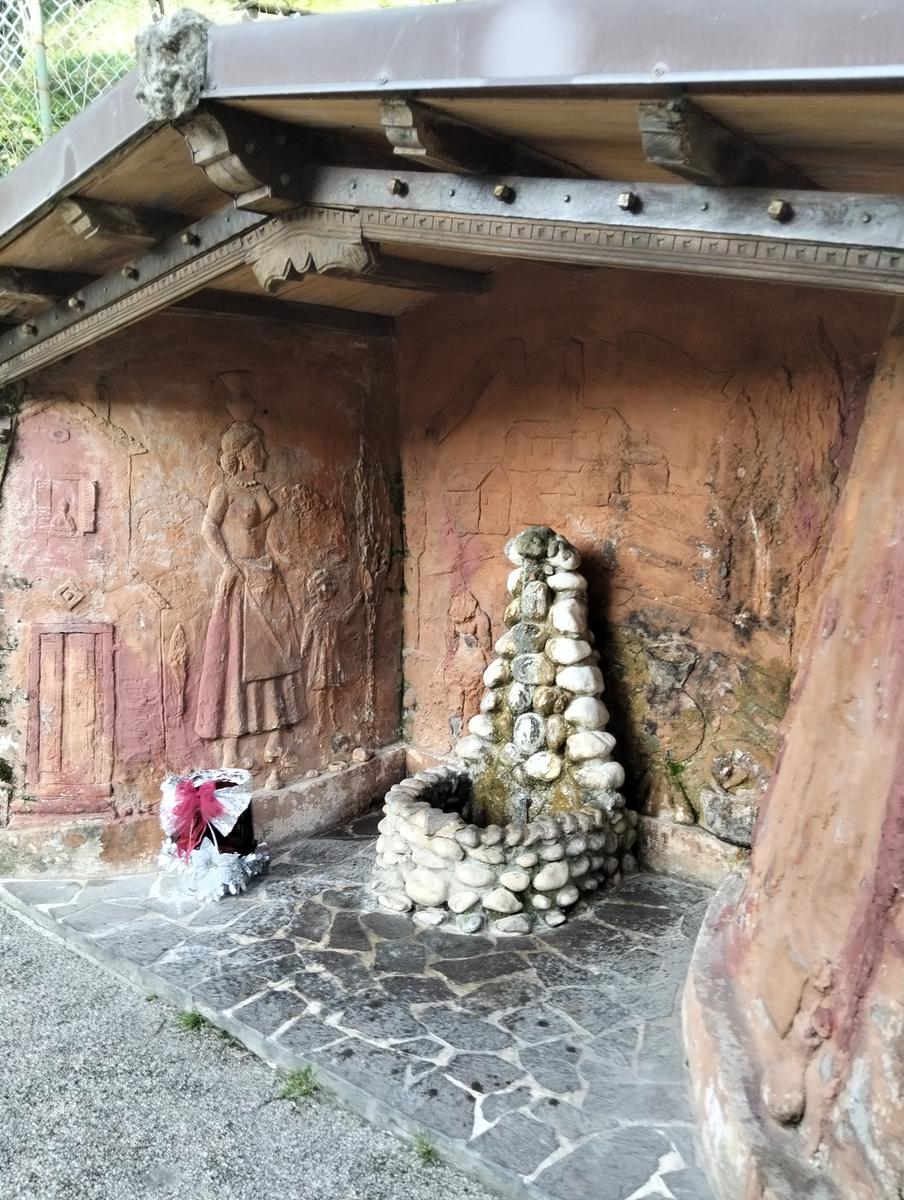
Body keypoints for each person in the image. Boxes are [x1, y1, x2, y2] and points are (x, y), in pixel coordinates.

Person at [195, 421, 304, 769]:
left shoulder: (261, 489)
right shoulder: (224, 491)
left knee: (277, 657)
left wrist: (287, 562)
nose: (264, 454)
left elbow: (270, 536)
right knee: (237, 664)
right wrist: (228, 565)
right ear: (240, 455)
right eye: (257, 449)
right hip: (241, 581)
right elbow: (208, 528)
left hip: (267, 577)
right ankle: (231, 749)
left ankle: (274, 740)